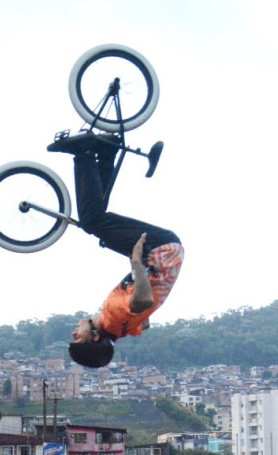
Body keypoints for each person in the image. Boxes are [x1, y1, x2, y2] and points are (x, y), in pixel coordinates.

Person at [48, 131, 184, 369]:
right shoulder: (114, 316)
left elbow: (144, 323)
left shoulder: (120, 328)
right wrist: (137, 263)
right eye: (78, 338)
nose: (73, 333)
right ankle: (84, 151)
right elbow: (144, 300)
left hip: (165, 252)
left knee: (94, 222)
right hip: (158, 249)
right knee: (92, 220)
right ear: (95, 337)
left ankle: (107, 151)